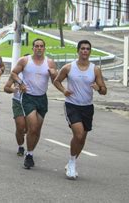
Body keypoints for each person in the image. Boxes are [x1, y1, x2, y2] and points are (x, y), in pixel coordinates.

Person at [53, 40, 107, 179]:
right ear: (78, 51)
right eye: (82, 48)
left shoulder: (95, 69)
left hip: (87, 107)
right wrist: (64, 90)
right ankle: (72, 163)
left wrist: (99, 88)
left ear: (90, 51)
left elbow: (104, 90)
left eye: (87, 49)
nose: (85, 51)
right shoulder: (69, 67)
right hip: (72, 105)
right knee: (78, 134)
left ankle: (72, 161)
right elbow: (56, 81)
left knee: (82, 138)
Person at [11, 38, 57, 169]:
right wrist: (21, 83)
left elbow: (56, 81)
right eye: (36, 46)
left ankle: (30, 152)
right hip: (28, 98)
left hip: (42, 98)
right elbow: (14, 73)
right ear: (33, 48)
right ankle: (29, 156)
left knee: (37, 130)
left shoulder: (49, 63)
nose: (39, 48)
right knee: (34, 127)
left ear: (44, 48)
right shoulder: (25, 61)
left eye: (41, 46)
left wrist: (54, 74)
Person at [3, 54, 30, 156]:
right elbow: (6, 88)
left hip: (30, 102)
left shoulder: (34, 74)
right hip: (17, 101)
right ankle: (21, 146)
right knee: (20, 127)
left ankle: (29, 147)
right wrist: (13, 89)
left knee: (27, 128)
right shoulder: (15, 75)